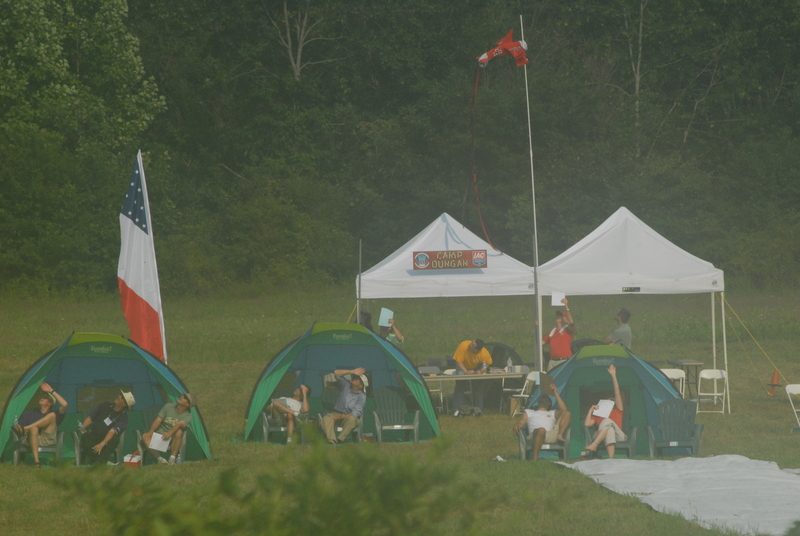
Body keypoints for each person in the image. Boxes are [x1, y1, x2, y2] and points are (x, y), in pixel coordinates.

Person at [12, 382, 68, 467]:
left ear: (50, 403)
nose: (42, 398)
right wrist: (17, 426)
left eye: (45, 397)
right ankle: (37, 461)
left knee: (52, 415)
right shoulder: (30, 414)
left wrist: (51, 391)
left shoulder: (55, 414)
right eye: (42, 396)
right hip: (30, 439)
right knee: (34, 428)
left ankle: (27, 428)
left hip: (46, 439)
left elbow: (65, 404)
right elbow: (19, 427)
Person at [514, 383, 571, 460]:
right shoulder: (529, 412)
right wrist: (518, 425)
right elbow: (522, 422)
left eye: (545, 397)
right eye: (541, 397)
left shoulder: (552, 412)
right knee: (541, 430)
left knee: (567, 413)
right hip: (534, 434)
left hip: (550, 434)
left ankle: (560, 435)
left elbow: (564, 410)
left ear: (549, 403)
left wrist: (555, 393)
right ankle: (535, 459)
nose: (542, 398)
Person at [78, 390, 135, 465]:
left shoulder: (123, 418)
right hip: (94, 435)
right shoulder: (104, 405)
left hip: (107, 440)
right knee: (85, 436)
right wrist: (82, 426)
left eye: (122, 397)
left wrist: (102, 443)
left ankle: (98, 461)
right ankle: (96, 461)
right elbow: (90, 417)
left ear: (124, 404)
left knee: (115, 439)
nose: (119, 396)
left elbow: (112, 432)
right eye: (120, 394)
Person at [141, 392, 197, 464]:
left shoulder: (187, 416)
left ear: (188, 404)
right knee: (145, 436)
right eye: (183, 395)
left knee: (179, 432)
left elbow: (178, 424)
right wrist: (151, 432)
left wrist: (170, 433)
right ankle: (160, 459)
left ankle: (172, 458)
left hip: (172, 439)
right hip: (160, 436)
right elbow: (158, 420)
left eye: (185, 398)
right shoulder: (168, 406)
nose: (182, 396)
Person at [584, 365, 626, 458]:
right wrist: (590, 411)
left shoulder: (617, 411)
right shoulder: (598, 414)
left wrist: (613, 376)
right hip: (601, 435)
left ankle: (594, 444)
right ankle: (611, 459)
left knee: (607, 421)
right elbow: (587, 424)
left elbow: (617, 393)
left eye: (611, 401)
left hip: (618, 436)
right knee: (609, 430)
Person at [321, 368, 367, 444]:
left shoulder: (361, 396)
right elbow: (336, 373)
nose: (355, 379)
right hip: (336, 413)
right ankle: (332, 440)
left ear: (361, 385)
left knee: (352, 420)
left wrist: (339, 418)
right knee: (326, 418)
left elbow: (355, 413)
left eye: (358, 379)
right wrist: (352, 371)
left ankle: (340, 439)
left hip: (348, 417)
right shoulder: (346, 385)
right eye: (356, 377)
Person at [451, 339, 492, 413]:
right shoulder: (463, 345)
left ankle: (478, 410)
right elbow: (458, 361)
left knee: (478, 388)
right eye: (471, 342)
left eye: (472, 345)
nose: (470, 344)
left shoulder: (484, 353)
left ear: (476, 350)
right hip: (462, 365)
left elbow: (487, 363)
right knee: (460, 387)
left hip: (476, 366)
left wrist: (481, 370)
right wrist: (466, 371)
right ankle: (456, 410)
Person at [543, 298, 575, 371]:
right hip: (552, 361)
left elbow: (571, 323)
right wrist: (537, 327)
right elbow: (541, 342)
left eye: (561, 316)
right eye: (558, 316)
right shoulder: (552, 331)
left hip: (563, 361)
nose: (558, 317)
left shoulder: (567, 330)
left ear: (566, 320)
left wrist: (566, 306)